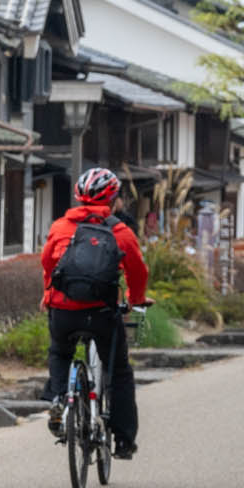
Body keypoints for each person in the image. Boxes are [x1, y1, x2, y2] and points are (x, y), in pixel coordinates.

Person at [39, 167, 150, 458]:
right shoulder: (120, 231)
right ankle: (124, 440)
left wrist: (48, 295)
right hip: (102, 312)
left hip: (63, 309)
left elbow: (48, 264)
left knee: (60, 352)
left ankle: (60, 398)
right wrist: (136, 298)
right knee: (119, 371)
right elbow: (138, 271)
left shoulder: (61, 227)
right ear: (114, 199)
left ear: (78, 198)